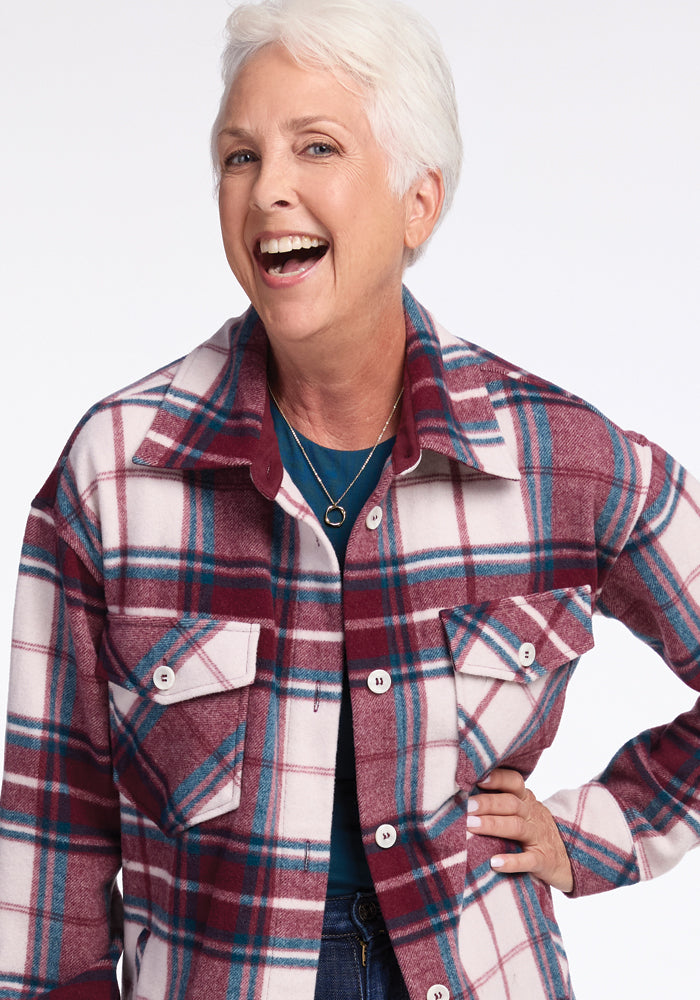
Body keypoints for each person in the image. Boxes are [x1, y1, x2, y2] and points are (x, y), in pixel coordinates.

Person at [0, 0, 698, 997]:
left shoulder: (558, 460)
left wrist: (596, 832)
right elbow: (51, 826)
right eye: (239, 157)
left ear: (418, 202)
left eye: (314, 146)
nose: (267, 189)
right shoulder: (117, 473)